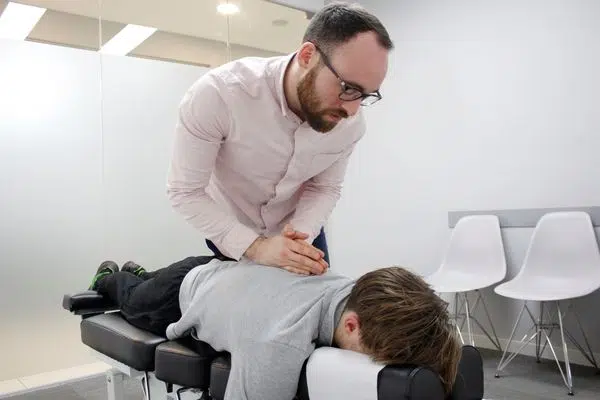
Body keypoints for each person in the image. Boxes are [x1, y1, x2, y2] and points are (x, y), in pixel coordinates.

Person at [166, 2, 393, 275]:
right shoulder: (219, 95)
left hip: (300, 231)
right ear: (308, 56)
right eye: (348, 88)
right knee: (235, 312)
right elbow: (185, 192)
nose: (352, 109)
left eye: (366, 95)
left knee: (314, 311)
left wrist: (299, 239)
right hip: (235, 234)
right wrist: (257, 247)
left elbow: (324, 188)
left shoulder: (350, 124)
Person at [89, 256, 462, 399]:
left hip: (229, 272)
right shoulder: (278, 343)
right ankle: (113, 275)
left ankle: (141, 271)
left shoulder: (359, 292)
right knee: (132, 298)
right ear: (351, 324)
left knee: (152, 276)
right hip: (185, 290)